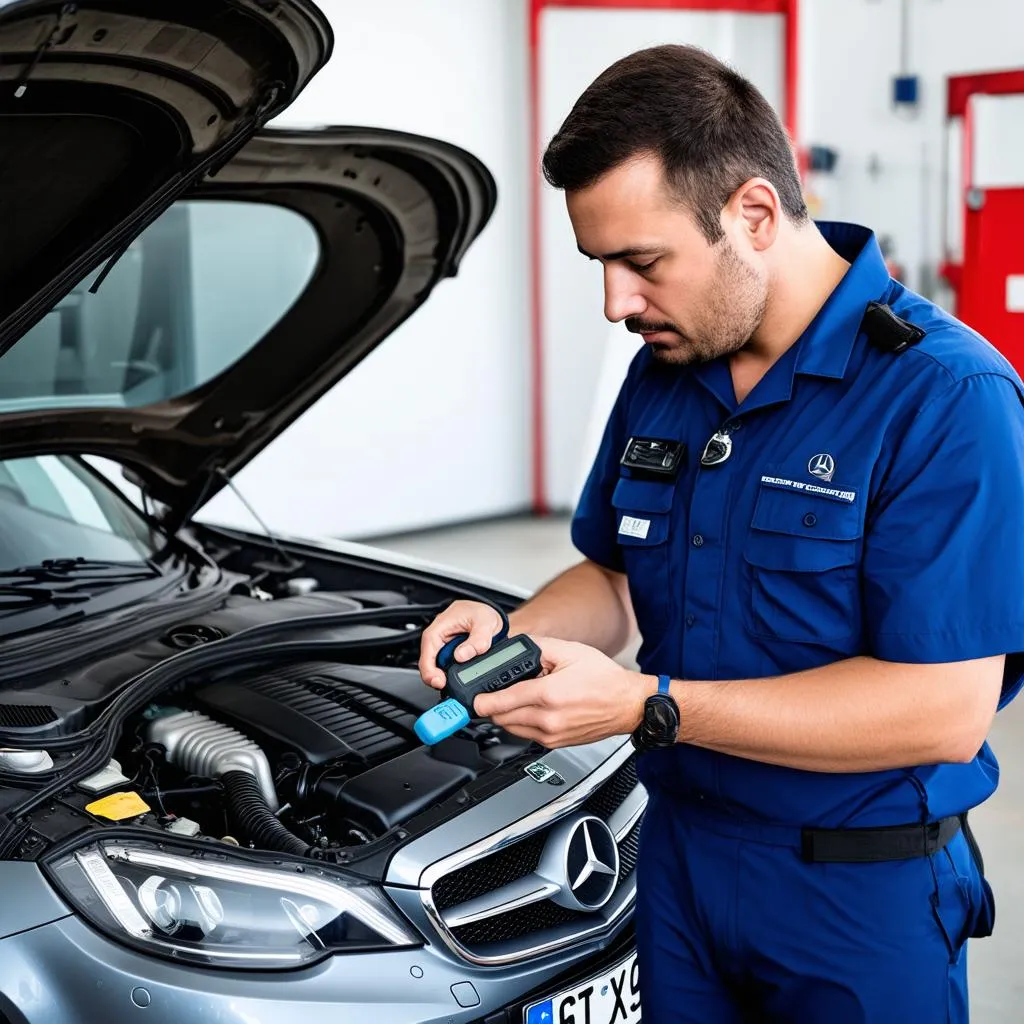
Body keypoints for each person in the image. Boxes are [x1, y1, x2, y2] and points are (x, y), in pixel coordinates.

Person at [418, 44, 1024, 1023]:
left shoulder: (945, 398)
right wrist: (515, 637)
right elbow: (615, 578)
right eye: (599, 265)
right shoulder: (667, 369)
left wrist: (648, 707)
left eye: (641, 262)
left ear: (750, 213)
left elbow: (942, 708)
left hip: (851, 895)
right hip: (680, 862)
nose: (615, 302)